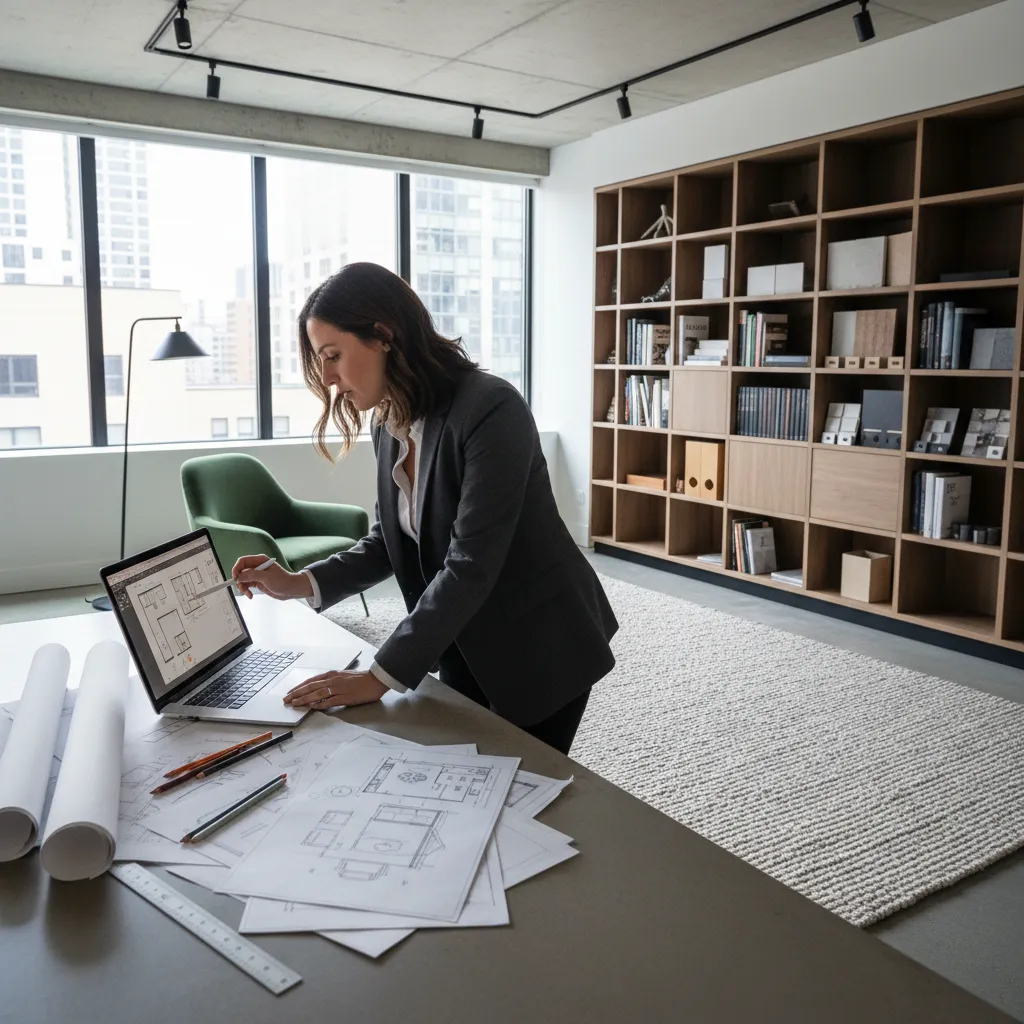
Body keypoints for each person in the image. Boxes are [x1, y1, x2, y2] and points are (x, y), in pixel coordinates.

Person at [232, 262, 617, 755]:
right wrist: (299, 582)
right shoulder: (388, 420)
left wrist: (378, 676)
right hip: (459, 636)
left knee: (525, 796)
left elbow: (470, 563)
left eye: (333, 355)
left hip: (539, 641)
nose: (327, 378)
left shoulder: (492, 408)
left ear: (383, 335)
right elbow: (389, 538)